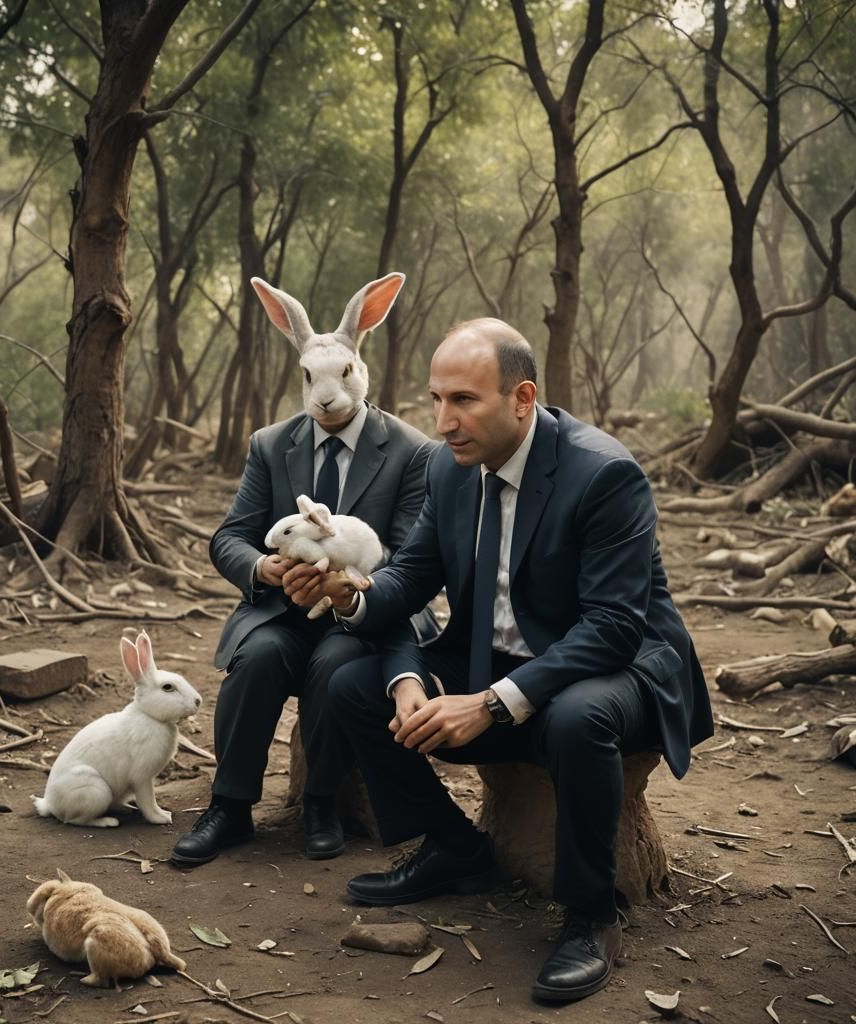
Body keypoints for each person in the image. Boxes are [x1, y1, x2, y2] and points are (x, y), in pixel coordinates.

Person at [285, 318, 713, 1002]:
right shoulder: (448, 470)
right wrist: (351, 597)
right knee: (351, 681)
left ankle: (591, 914)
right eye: (436, 400)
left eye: (463, 400)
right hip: (502, 655)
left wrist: (489, 704)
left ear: (522, 398)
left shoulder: (604, 474)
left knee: (575, 717)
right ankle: (454, 847)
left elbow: (612, 627)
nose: (444, 420)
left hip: (619, 667)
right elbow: (406, 580)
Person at [171, 273, 437, 867]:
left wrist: (347, 586)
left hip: (360, 614)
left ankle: (320, 803)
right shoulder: (271, 444)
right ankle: (230, 806)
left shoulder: (412, 450)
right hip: (281, 608)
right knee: (259, 656)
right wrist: (266, 570)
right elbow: (229, 537)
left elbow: (410, 554)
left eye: (340, 376)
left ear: (358, 368)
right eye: (311, 381)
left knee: (335, 665)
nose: (325, 396)